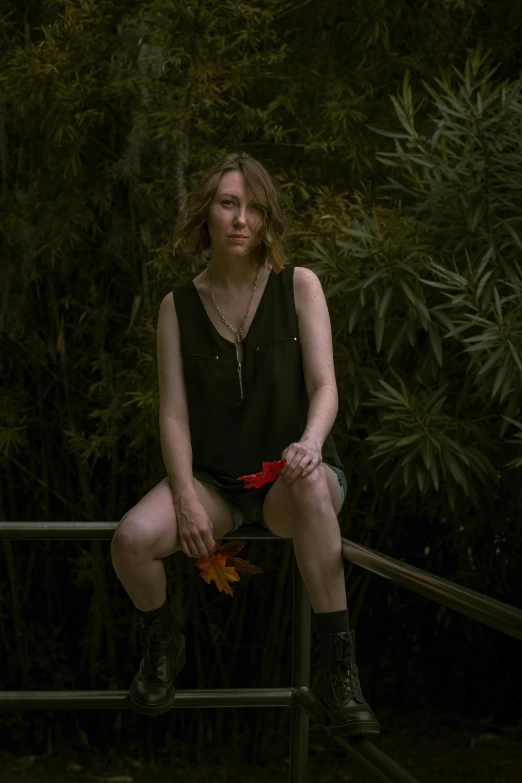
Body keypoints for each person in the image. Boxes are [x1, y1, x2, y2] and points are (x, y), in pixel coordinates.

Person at [110, 151, 380, 737]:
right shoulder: (176, 307)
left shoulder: (299, 285)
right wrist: (183, 494)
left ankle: (339, 672)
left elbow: (326, 386)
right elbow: (175, 415)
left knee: (308, 483)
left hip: (292, 476)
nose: (242, 219)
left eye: (255, 208)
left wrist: (309, 442)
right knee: (130, 540)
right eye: (230, 203)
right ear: (207, 210)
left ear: (267, 219)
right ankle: (162, 643)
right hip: (216, 484)